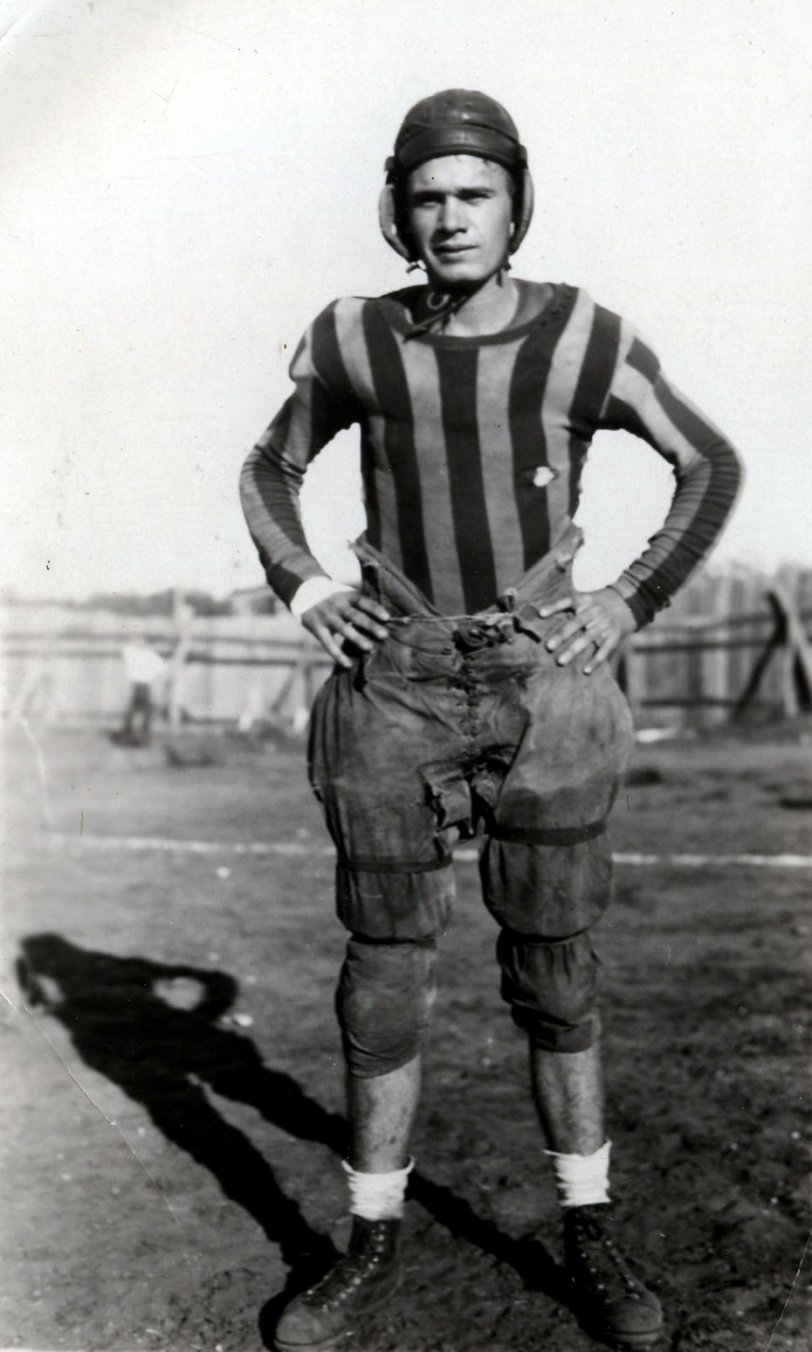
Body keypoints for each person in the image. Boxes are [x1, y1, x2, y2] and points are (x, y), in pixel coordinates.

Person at [240, 90, 742, 1351]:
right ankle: (368, 1246)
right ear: (396, 211)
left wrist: (630, 598)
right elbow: (268, 468)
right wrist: (305, 583)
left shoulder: (581, 337)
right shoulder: (352, 336)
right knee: (382, 981)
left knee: (558, 976)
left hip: (542, 681)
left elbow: (707, 462)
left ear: (515, 204)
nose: (449, 217)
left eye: (473, 193)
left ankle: (588, 1227)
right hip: (392, 680)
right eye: (426, 195)